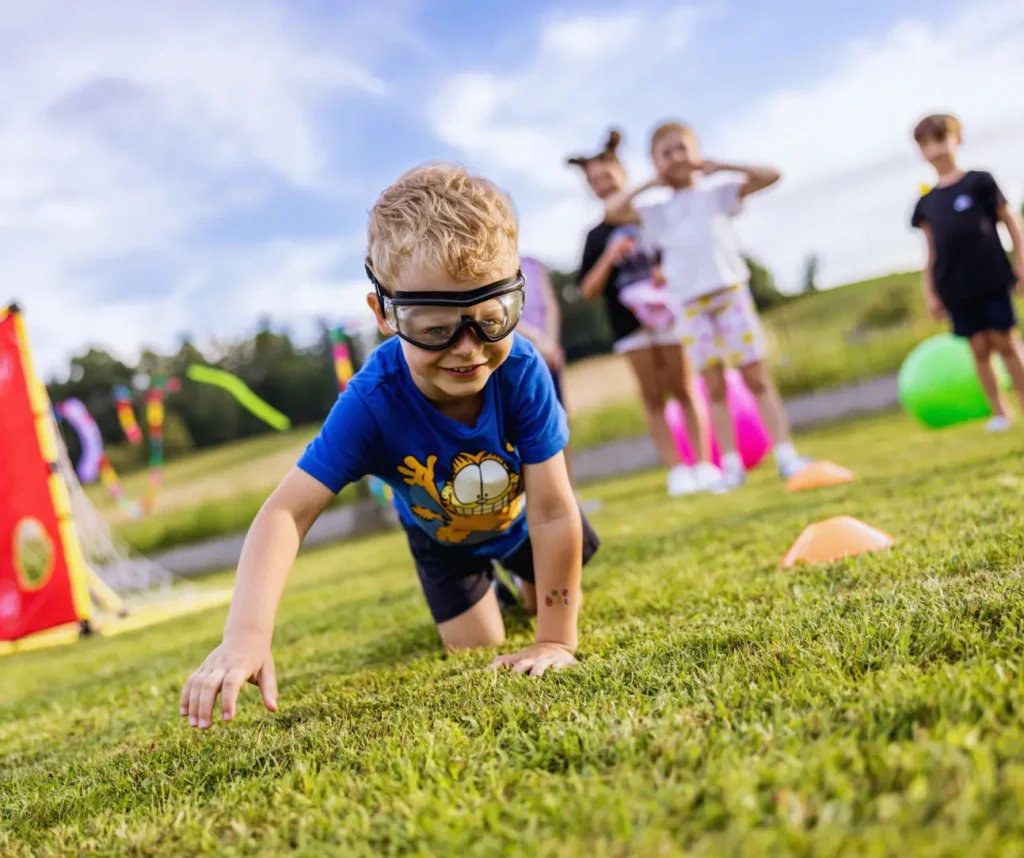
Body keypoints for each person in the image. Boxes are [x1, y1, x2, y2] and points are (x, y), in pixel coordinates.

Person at [180, 164, 600, 730]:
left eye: (490, 318)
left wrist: (556, 640)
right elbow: (286, 511)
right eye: (433, 327)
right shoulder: (371, 403)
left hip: (525, 521)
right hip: (441, 541)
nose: (467, 348)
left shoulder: (521, 367)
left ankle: (518, 588)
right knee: (475, 645)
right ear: (383, 313)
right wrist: (246, 635)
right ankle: (483, 594)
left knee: (543, 602)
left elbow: (553, 511)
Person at [606, 121, 813, 492]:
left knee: (756, 377)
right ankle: (730, 466)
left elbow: (772, 175)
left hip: (729, 292)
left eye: (682, 149)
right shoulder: (654, 210)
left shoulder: (716, 194)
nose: (676, 158)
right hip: (688, 303)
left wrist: (724, 166)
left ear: (696, 153)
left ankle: (786, 455)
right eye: (666, 153)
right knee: (713, 386)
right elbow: (613, 212)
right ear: (655, 162)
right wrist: (651, 182)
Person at [568, 129, 717, 497]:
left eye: (607, 176)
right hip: (628, 325)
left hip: (670, 315)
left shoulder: (654, 216)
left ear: (623, 175)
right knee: (652, 396)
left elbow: (684, 254)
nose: (602, 185)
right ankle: (677, 471)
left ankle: (703, 464)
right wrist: (608, 259)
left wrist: (666, 272)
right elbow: (586, 290)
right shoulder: (595, 235)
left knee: (684, 387)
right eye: (594, 181)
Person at [911, 112, 1024, 431]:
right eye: (926, 143)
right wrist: (931, 292)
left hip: (990, 276)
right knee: (979, 348)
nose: (935, 149)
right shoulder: (927, 203)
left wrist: (1021, 263)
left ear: (956, 139)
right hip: (955, 286)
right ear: (920, 151)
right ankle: (1000, 413)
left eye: (940, 139)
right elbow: (930, 252)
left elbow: (1012, 224)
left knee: (1006, 342)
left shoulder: (980, 181)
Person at [517, 255, 572, 480]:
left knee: (558, 423)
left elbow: (550, 306)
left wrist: (550, 343)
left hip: (547, 357)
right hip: (520, 356)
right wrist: (537, 340)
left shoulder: (533, 264)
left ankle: (570, 492)